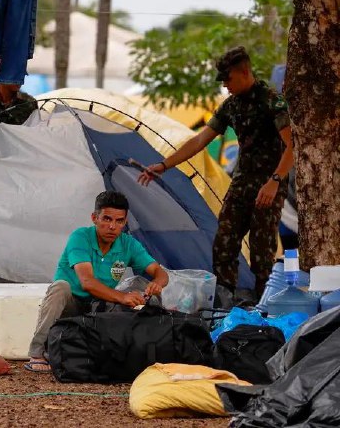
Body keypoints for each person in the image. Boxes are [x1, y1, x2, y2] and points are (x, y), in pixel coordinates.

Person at [138, 46, 294, 301]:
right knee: (224, 242)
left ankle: (265, 305)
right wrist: (164, 165)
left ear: (245, 72)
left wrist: (275, 181)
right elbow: (199, 140)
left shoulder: (271, 101)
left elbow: (292, 146)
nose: (225, 86)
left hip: (269, 185)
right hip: (242, 183)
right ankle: (225, 299)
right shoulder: (231, 106)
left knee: (261, 251)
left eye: (228, 79)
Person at [24, 191, 169, 373]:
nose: (112, 227)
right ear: (94, 218)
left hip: (100, 306)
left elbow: (159, 271)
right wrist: (123, 297)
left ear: (125, 223)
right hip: (71, 306)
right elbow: (87, 283)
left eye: (119, 221)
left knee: (141, 286)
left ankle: (144, 351)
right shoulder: (80, 237)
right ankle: (37, 352)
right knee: (60, 287)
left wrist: (156, 283)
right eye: (106, 219)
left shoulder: (128, 243)